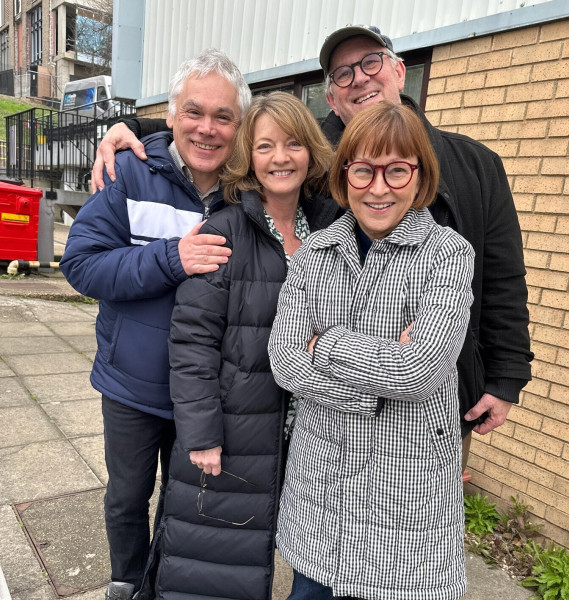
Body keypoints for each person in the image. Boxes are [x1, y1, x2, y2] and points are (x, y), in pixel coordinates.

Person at [90, 24, 533, 470]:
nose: (359, 78)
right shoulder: (321, 161)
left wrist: (506, 375)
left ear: (400, 71)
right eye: (342, 74)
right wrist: (130, 126)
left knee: (409, 523)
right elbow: (234, 128)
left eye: (371, 62)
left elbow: (504, 278)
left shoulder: (476, 165)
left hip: (432, 407)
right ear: (334, 101)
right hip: (327, 408)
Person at [59, 50, 251, 600]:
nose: (207, 129)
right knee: (127, 497)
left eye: (223, 117)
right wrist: (172, 257)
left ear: (238, 126)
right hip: (132, 386)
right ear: (170, 115)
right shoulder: (130, 172)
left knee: (185, 504)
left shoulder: (248, 192)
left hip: (206, 394)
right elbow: (81, 264)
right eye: (194, 112)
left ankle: (165, 584)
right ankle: (126, 582)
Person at [268, 101, 475, 600]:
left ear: (419, 174)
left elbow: (418, 373)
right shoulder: (315, 254)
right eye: (363, 170)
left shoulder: (446, 254)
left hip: (402, 485)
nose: (378, 188)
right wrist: (371, 386)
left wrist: (326, 343)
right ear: (344, 175)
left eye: (396, 170)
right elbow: (284, 362)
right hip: (323, 481)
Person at [149, 92, 339, 600]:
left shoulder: (334, 229)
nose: (280, 157)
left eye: (293, 143)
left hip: (316, 434)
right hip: (239, 431)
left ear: (311, 151)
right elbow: (192, 342)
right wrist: (201, 432)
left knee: (316, 561)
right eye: (265, 146)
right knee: (218, 566)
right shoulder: (225, 230)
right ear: (247, 157)